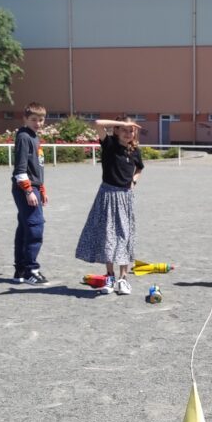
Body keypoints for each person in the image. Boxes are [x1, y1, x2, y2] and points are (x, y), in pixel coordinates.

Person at [75, 116, 145, 295]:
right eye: (124, 129)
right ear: (116, 130)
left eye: (131, 130)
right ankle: (110, 277)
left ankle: (123, 279)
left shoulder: (135, 150)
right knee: (108, 237)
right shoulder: (110, 144)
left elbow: (139, 168)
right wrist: (122, 123)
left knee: (123, 237)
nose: (128, 133)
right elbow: (97, 124)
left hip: (125, 198)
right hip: (107, 195)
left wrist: (134, 181)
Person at [11, 102, 49, 285]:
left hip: (33, 187)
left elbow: (36, 168)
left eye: (41, 119)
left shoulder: (34, 137)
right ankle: (30, 270)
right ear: (25, 119)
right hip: (25, 188)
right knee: (35, 227)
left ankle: (20, 269)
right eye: (33, 119)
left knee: (25, 228)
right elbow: (20, 168)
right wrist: (28, 190)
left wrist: (41, 189)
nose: (38, 123)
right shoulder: (24, 137)